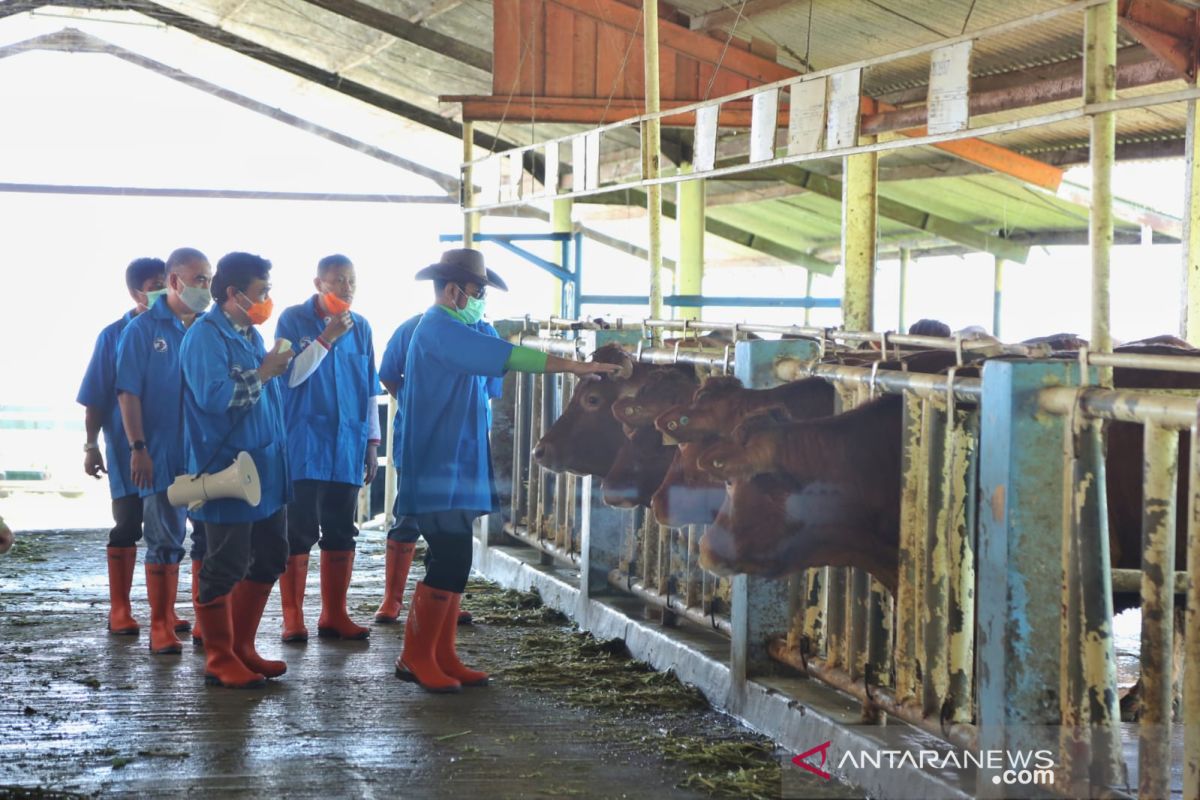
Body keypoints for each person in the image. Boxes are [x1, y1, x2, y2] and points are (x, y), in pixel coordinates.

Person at [393, 249, 620, 693]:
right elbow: (512, 357)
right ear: (454, 290)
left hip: (453, 465)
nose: (480, 300)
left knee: (455, 561)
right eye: (477, 292)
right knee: (449, 558)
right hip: (438, 467)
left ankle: (441, 654)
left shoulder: (456, 327)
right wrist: (578, 366)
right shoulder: (441, 328)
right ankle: (415, 657)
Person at [180, 252, 293, 689]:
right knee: (224, 560)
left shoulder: (247, 332)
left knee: (271, 554)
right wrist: (264, 372)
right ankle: (219, 656)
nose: (267, 300)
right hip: (224, 466)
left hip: (265, 466)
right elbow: (212, 397)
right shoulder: (205, 336)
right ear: (233, 294)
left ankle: (243, 647)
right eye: (261, 292)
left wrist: (271, 367)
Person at [275, 254, 380, 643]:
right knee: (299, 531)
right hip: (304, 444)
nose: (347, 288)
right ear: (318, 283)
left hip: (347, 444)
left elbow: (370, 389)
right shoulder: (292, 319)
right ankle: (293, 618)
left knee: (341, 531)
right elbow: (290, 376)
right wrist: (326, 338)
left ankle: (334, 614)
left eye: (352, 280)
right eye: (338, 280)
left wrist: (372, 442)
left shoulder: (363, 327)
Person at [373, 311, 501, 627]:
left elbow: (490, 388)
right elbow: (388, 373)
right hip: (423, 440)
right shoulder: (414, 327)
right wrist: (417, 400)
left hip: (466, 444)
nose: (478, 297)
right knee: (410, 516)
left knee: (455, 524)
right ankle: (392, 599)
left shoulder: (486, 332)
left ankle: (446, 600)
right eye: (474, 288)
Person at [115, 248, 212, 655]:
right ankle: (160, 625)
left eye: (209, 279)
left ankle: (207, 620)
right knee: (163, 539)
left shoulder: (210, 328)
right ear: (175, 282)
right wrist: (138, 447)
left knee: (208, 539)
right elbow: (127, 393)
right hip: (160, 453)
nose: (206, 288)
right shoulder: (141, 330)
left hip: (207, 456)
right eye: (199, 280)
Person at [77, 257, 168, 636]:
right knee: (128, 523)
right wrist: (90, 445)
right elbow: (96, 397)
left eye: (168, 282)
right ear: (135, 291)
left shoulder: (183, 328)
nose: (164, 290)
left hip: (171, 447)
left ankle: (163, 612)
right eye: (155, 284)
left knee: (169, 529)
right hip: (125, 447)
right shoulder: (113, 335)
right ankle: (120, 608)